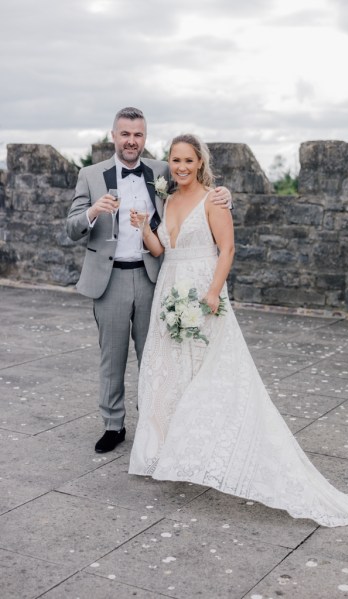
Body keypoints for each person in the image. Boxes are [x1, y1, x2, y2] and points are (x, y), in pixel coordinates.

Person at [128, 133, 348, 534]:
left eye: (188, 160)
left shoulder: (214, 200)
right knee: (169, 374)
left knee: (211, 375)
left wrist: (213, 293)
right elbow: (161, 250)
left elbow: (228, 250)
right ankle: (170, 453)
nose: (181, 167)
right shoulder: (167, 199)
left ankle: (213, 451)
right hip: (169, 291)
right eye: (175, 160)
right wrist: (141, 228)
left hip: (203, 293)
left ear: (200, 162)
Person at [66, 107, 232, 454]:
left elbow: (194, 189)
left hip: (152, 277)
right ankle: (113, 426)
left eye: (138, 135)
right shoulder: (91, 175)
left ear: (145, 137)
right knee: (111, 357)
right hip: (108, 280)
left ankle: (153, 426)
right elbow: (72, 228)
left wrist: (224, 194)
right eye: (125, 134)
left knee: (155, 356)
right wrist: (94, 211)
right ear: (113, 136)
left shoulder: (161, 170)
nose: (131, 141)